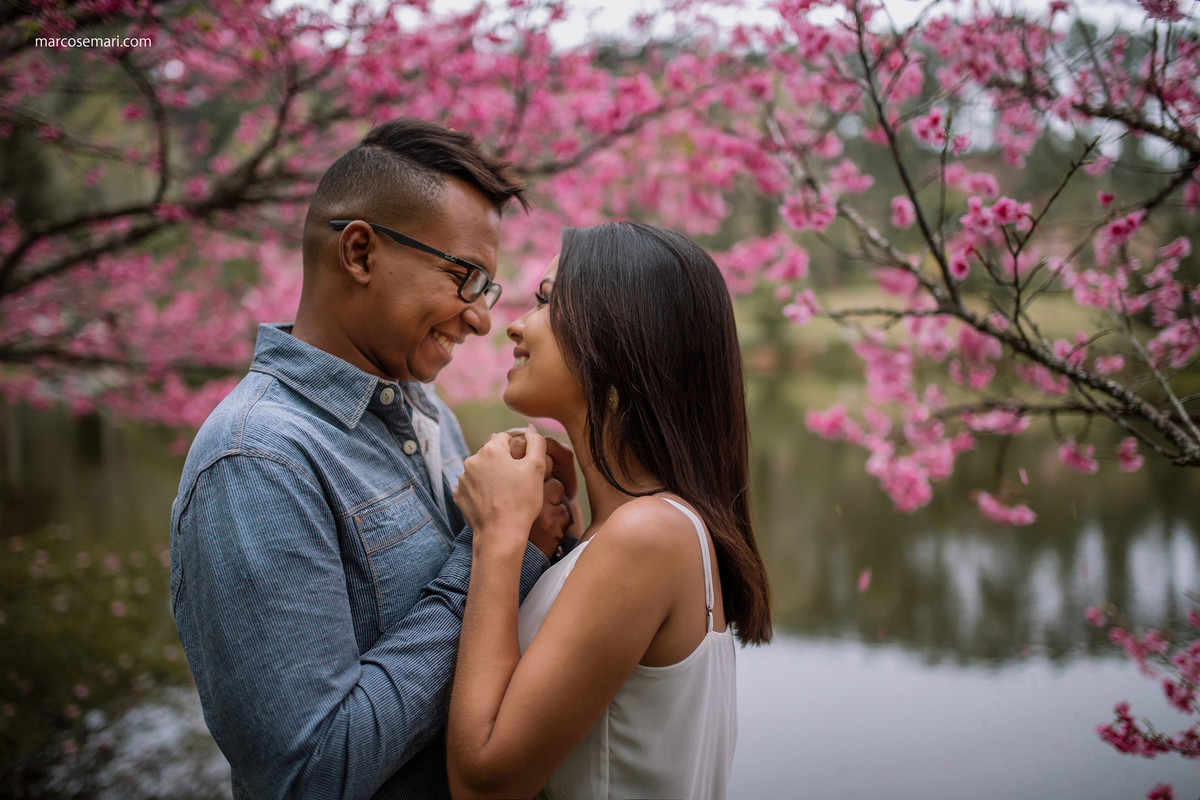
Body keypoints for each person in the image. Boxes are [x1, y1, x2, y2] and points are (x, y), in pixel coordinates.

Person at [169, 118, 574, 799]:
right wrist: (498, 553)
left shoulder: (426, 410)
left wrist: (542, 528)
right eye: (464, 277)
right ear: (359, 253)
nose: (479, 318)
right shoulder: (257, 459)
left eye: (487, 289)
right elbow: (307, 776)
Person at [446, 222, 773, 799]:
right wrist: (553, 538)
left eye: (547, 301)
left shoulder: (650, 535)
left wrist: (497, 537)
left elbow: (482, 784)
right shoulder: (644, 530)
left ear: (617, 337)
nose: (516, 324)